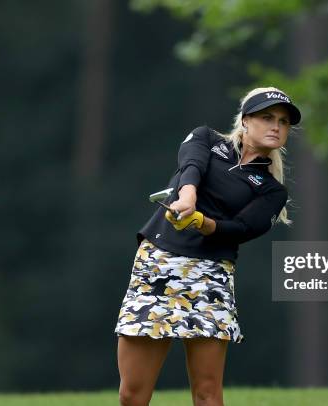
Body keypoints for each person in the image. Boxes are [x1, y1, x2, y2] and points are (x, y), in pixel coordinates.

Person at [114, 86, 301, 406]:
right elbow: (192, 166)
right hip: (158, 264)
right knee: (132, 394)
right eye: (267, 117)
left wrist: (201, 222)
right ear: (245, 121)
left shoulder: (272, 191)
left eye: (284, 122)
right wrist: (187, 196)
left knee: (207, 394)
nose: (276, 127)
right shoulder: (205, 139)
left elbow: (241, 229)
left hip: (210, 276)